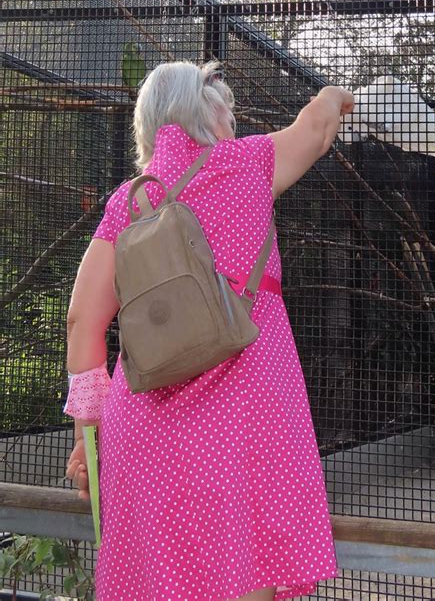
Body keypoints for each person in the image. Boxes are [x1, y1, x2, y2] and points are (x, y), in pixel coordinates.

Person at [65, 60, 354, 601]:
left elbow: (84, 320)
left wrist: (89, 432)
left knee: (158, 581)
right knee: (247, 568)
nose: (234, 127)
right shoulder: (247, 163)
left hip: (145, 430)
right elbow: (315, 129)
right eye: (228, 114)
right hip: (247, 421)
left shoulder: (128, 203)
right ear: (210, 115)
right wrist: (340, 95)